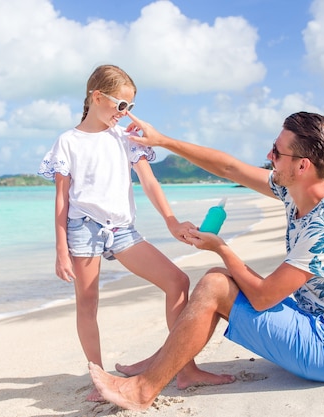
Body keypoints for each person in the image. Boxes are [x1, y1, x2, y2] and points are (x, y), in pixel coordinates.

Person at [89, 111, 324, 411]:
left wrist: (222, 248)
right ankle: (173, 364)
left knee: (216, 284)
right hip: (318, 323)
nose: (269, 155)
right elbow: (229, 168)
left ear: (302, 165)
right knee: (219, 277)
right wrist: (162, 141)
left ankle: (142, 390)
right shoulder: (299, 190)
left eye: (277, 152)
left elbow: (263, 296)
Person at [37, 64, 234, 402]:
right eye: (121, 105)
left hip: (122, 229)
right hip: (83, 229)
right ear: (96, 97)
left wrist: (172, 221)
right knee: (87, 302)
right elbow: (61, 201)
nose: (125, 113)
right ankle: (99, 378)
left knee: (177, 281)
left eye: (130, 107)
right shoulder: (67, 142)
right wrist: (60, 250)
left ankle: (185, 369)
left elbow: (149, 181)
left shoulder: (125, 137)